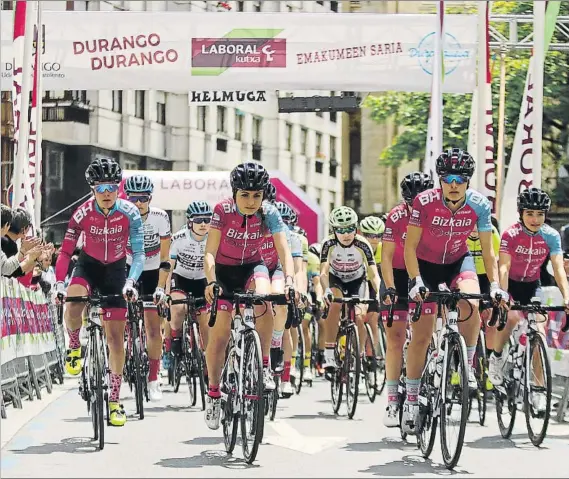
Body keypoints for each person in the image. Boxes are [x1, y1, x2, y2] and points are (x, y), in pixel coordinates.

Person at [403, 148, 506, 435]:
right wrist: (416, 280)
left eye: (460, 178)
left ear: (468, 181)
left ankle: (468, 367)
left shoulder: (479, 205)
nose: (453, 183)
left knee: (472, 300)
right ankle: (411, 399)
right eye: (447, 177)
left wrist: (495, 285)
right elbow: (410, 247)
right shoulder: (424, 202)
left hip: (459, 261)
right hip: (425, 264)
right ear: (440, 179)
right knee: (422, 336)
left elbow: (488, 251)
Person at [203, 162, 295, 430]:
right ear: (234, 193)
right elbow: (209, 251)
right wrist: (210, 281)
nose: (251, 201)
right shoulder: (222, 210)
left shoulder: (269, 213)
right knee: (219, 338)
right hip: (223, 272)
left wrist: (289, 281)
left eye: (257, 195)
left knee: (265, 299)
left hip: (252, 268)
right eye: (245, 195)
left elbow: (283, 250)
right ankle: (213, 394)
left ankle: (264, 366)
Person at [53, 157, 144, 427]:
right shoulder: (81, 213)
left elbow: (138, 254)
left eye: (112, 188)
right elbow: (66, 251)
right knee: (73, 299)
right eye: (101, 188)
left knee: (116, 338)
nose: (107, 194)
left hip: (116, 271)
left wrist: (131, 282)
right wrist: (59, 284)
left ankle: (115, 400)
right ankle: (73, 344)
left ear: (119, 188)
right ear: (92, 190)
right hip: (88, 266)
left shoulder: (130, 213)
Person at [490, 189, 569, 409]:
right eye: (530, 214)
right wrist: (503, 293)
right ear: (521, 214)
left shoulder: (551, 235)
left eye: (540, 214)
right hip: (512, 284)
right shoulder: (510, 234)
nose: (535, 219)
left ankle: (537, 389)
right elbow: (503, 266)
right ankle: (496, 358)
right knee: (512, 317)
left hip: (533, 284)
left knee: (539, 332)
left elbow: (558, 269)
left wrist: (567, 297)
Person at [380, 171, 433, 427]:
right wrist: (389, 288)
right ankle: (391, 400)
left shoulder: (437, 213)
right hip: (398, 276)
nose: (417, 208)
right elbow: (387, 257)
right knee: (395, 339)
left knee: (423, 335)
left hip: (424, 273)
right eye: (412, 203)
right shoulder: (396, 216)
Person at [124, 174, 172, 402]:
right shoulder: (121, 215)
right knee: (117, 316)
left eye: (143, 198)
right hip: (128, 267)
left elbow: (165, 257)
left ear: (150, 198)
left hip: (153, 270)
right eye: (133, 198)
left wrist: (161, 287)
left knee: (153, 328)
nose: (138, 203)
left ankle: (153, 379)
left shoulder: (160, 218)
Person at [320, 206, 380, 371]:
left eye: (350, 229)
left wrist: (381, 292)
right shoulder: (328, 244)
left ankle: (358, 356)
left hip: (357, 280)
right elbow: (324, 273)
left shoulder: (363, 244)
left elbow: (373, 275)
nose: (346, 234)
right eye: (341, 230)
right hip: (336, 279)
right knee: (335, 305)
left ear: (356, 229)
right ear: (334, 230)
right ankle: (329, 353)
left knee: (360, 317)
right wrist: (325, 290)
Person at [167, 200, 212, 382]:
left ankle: (209, 368)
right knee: (177, 309)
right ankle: (176, 338)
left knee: (206, 325)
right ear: (189, 222)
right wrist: (165, 290)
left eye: (207, 220)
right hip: (181, 279)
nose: (203, 224)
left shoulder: (214, 238)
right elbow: (169, 266)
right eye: (199, 219)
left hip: (202, 281)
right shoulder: (178, 239)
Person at [1, 207, 42, 278]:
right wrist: (30, 256)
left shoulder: (8, 241)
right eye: (29, 225)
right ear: (23, 228)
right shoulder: (8, 243)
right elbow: (14, 272)